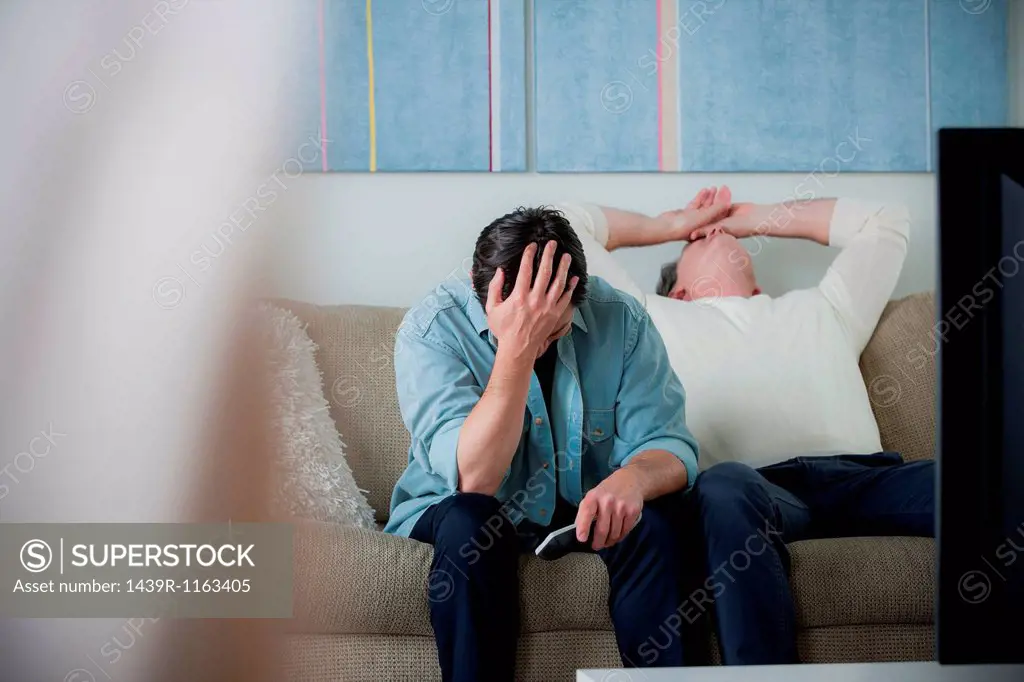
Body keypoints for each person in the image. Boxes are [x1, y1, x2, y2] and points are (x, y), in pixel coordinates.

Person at [554, 188, 934, 665]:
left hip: (861, 480)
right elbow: (564, 222)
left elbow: (885, 217)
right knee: (724, 483)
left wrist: (754, 219)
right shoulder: (650, 319)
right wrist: (672, 224)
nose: (713, 230)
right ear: (680, 291)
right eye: (700, 239)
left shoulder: (827, 308)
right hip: (754, 493)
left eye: (717, 229)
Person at [383, 207, 705, 681]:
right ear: (480, 283)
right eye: (526, 324)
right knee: (474, 519)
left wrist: (633, 479)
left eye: (554, 328)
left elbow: (669, 444)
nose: (543, 340)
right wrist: (516, 348)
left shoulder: (622, 319)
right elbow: (476, 478)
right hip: (463, 511)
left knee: (654, 521)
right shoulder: (432, 330)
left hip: (581, 511)